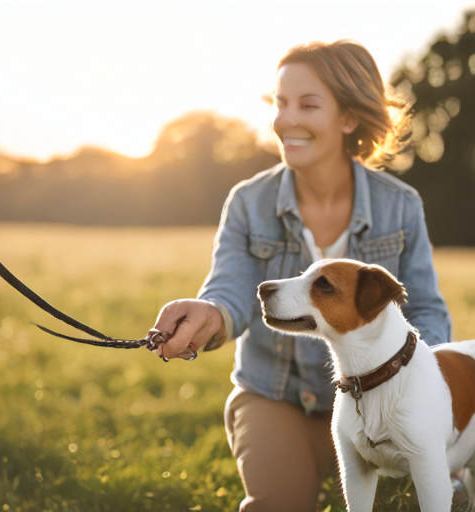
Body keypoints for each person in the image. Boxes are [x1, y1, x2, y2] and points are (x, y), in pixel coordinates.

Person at [151, 40, 451, 511]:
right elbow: (230, 291)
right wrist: (207, 314)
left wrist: (421, 394)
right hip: (274, 396)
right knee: (281, 505)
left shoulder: (400, 205)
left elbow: (427, 310)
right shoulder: (249, 202)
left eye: (307, 104)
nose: (284, 119)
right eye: (280, 102)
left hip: (382, 400)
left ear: (348, 118)